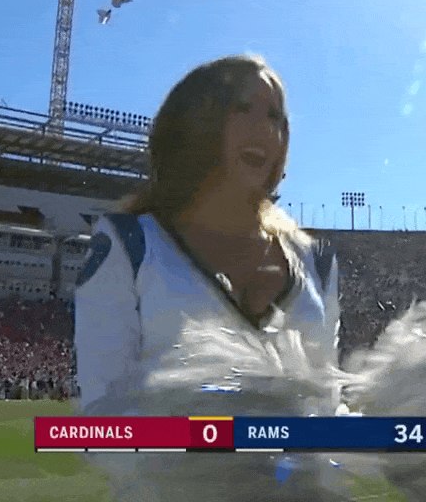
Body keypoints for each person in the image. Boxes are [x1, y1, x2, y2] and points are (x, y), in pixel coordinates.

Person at [72, 55, 342, 499]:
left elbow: (328, 406)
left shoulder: (317, 263)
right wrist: (208, 441)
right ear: (201, 122)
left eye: (274, 117)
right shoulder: (129, 243)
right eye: (243, 109)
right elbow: (100, 419)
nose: (263, 129)